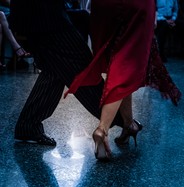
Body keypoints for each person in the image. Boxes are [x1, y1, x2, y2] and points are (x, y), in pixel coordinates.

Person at [65, 0, 181, 160]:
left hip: (104, 6)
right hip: (135, 4)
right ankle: (102, 130)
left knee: (119, 58)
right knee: (127, 61)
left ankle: (129, 125)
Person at [9, 0, 124, 146]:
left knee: (55, 69)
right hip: (43, 15)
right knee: (80, 65)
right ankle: (121, 120)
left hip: (35, 14)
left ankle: (28, 126)